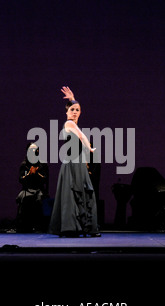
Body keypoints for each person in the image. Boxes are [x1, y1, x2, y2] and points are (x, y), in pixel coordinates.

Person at [48, 87, 100, 237]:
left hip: (79, 163)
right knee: (72, 194)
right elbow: (82, 137)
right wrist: (90, 148)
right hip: (72, 163)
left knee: (84, 192)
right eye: (72, 109)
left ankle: (85, 227)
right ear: (66, 112)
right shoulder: (69, 124)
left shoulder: (74, 124)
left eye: (77, 109)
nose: (75, 112)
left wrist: (73, 99)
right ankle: (71, 227)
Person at [15, 142, 49, 232]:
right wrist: (29, 174)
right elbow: (21, 180)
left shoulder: (43, 164)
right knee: (24, 198)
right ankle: (24, 225)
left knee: (40, 199)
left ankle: (41, 226)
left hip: (39, 190)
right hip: (27, 189)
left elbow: (45, 180)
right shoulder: (24, 165)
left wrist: (37, 174)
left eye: (35, 149)